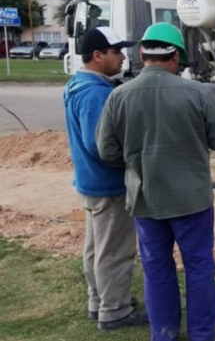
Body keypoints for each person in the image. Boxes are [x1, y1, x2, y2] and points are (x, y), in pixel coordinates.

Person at [96, 22, 215, 341]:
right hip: (192, 201)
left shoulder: (118, 96)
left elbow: (106, 150)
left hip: (146, 199)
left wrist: (136, 164)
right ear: (176, 57)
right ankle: (202, 333)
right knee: (199, 267)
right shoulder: (199, 94)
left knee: (157, 268)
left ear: (142, 54)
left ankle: (164, 333)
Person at [63, 27, 149, 331]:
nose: (123, 57)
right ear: (97, 55)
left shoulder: (77, 85)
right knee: (115, 251)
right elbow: (99, 145)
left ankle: (98, 301)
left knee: (96, 248)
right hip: (109, 186)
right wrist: (132, 160)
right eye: (117, 51)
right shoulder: (96, 94)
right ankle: (115, 311)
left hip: (89, 183)